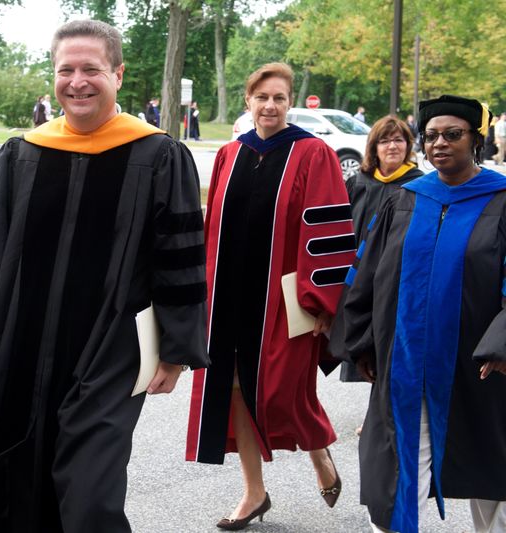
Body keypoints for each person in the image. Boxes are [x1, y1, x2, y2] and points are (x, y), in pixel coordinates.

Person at [0, 19, 208, 533]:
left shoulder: (159, 156)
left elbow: (179, 259)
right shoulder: (22, 153)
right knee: (2, 478)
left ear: (117, 74)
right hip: (17, 346)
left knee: (90, 492)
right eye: (66, 70)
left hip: (109, 351)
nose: (78, 81)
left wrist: (175, 349)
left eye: (91, 69)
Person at [186, 62, 353, 530]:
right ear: (248, 102)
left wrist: (320, 301)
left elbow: (328, 229)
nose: (271, 106)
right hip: (228, 299)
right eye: (262, 98)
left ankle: (319, 452)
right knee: (236, 389)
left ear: (290, 102)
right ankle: (253, 493)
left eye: (279, 98)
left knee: (284, 389)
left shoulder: (313, 153)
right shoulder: (229, 154)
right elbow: (211, 230)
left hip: (285, 301)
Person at [342, 94, 506, 533]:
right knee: (398, 466)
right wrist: (363, 342)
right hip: (407, 361)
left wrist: (503, 343)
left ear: (476, 139)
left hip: (480, 364)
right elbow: (368, 273)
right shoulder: (404, 200)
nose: (439, 144)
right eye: (431, 135)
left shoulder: (501, 201)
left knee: (491, 468)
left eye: (453, 135)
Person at [328, 116, 422, 435]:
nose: (392, 146)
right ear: (374, 147)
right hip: (358, 277)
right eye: (385, 140)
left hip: (394, 280)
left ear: (408, 146)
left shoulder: (417, 186)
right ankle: (375, 412)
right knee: (364, 342)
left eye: (399, 140)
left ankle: (376, 415)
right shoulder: (359, 183)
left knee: (387, 343)